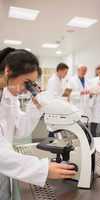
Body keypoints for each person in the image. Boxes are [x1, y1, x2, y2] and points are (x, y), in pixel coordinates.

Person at [0, 48, 76, 200]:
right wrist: (41, 169)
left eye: (31, 84)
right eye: (26, 83)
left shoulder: (9, 94)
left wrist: (35, 107)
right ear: (8, 71)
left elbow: (19, 130)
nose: (26, 89)